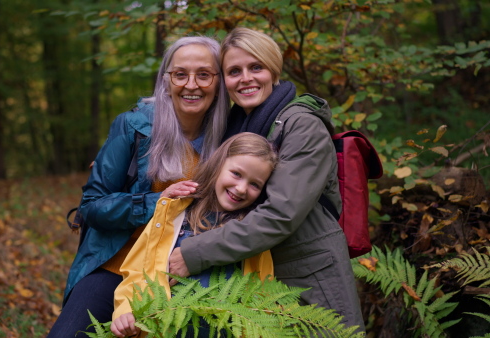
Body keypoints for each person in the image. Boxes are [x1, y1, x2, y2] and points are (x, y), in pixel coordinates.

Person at [169, 27, 366, 331]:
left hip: (309, 279)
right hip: (258, 278)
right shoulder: (234, 126)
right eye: (234, 71)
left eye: (256, 67)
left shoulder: (302, 126)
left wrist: (196, 253)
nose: (246, 78)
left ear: (273, 71)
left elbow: (281, 214)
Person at [47, 36, 229, 337]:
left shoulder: (230, 136)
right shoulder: (133, 127)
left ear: (219, 82)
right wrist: (156, 202)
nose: (192, 84)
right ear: (165, 80)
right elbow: (91, 206)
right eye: (180, 74)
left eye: (204, 74)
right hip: (117, 262)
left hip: (182, 272)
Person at [110, 132, 277, 338]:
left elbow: (263, 297)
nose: (241, 188)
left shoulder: (252, 232)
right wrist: (126, 311)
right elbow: (138, 271)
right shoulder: (175, 213)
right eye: (236, 173)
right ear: (218, 165)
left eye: (255, 184)